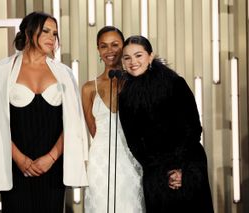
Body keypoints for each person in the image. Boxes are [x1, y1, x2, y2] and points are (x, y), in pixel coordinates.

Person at [0, 11, 88, 212]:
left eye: (55, 34)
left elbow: (73, 124)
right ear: (28, 32)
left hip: (53, 167)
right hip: (13, 166)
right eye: (46, 32)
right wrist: (21, 160)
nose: (52, 38)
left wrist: (50, 158)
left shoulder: (65, 74)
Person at [119, 35, 214, 213]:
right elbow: (134, 142)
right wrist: (163, 171)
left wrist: (178, 168)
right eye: (127, 58)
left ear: (150, 56)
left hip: (188, 165)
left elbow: (193, 128)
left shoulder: (175, 84)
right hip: (156, 173)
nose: (133, 62)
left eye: (138, 55)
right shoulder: (125, 97)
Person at [82, 26, 146, 213]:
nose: (109, 51)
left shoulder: (138, 83)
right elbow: (93, 130)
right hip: (100, 164)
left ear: (124, 47)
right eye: (104, 46)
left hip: (132, 161)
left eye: (115, 45)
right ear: (98, 50)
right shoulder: (88, 88)